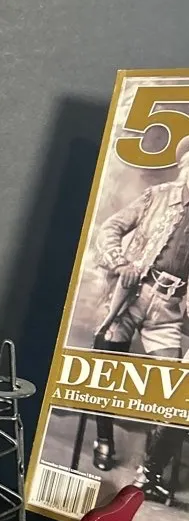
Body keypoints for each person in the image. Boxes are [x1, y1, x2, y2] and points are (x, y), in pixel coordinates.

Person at [92, 138, 189, 500]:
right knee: (106, 367)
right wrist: (120, 262)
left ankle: (149, 472)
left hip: (169, 310)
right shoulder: (156, 196)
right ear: (182, 166)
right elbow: (109, 228)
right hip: (131, 296)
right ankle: (103, 440)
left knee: (173, 392)